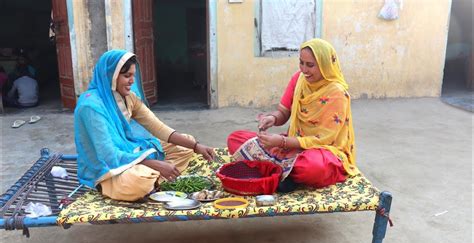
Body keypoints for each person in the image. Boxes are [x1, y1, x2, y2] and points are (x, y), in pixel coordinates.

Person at [74, 50, 215, 201]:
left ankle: (153, 179)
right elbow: (108, 155)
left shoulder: (128, 98)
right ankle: (138, 182)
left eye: (133, 75)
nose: (132, 81)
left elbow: (158, 127)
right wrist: (156, 165)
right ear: (111, 76)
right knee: (140, 180)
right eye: (127, 76)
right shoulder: (90, 106)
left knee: (185, 145)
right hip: (107, 169)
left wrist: (196, 146)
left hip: (128, 152)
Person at [227, 38, 359, 192]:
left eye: (310, 65)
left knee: (311, 168)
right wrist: (273, 118)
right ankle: (283, 173)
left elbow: (324, 139)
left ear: (325, 65)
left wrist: (282, 142)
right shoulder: (299, 79)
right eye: (301, 62)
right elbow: (284, 112)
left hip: (323, 151)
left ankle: (275, 170)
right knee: (235, 139)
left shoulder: (337, 93)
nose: (304, 69)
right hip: (292, 145)